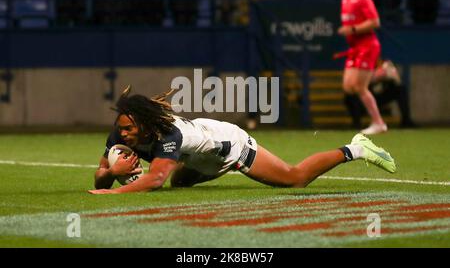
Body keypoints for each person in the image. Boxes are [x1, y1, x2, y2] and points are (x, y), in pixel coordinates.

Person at [88, 86, 396, 194]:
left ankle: (356, 148)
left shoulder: (170, 134)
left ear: (142, 124)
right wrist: (109, 175)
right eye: (121, 129)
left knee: (294, 178)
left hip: (228, 145)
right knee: (179, 184)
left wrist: (115, 193)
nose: (123, 134)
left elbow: (154, 179)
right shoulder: (120, 131)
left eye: (129, 129)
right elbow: (101, 176)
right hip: (199, 154)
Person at [336, 0, 387, 135]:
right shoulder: (344, 0)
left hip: (368, 45)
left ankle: (378, 122)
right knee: (348, 86)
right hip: (354, 48)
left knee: (360, 86)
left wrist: (352, 29)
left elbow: (374, 22)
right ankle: (381, 73)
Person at [344, 60, 417, 129]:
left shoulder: (385, 66)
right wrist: (373, 77)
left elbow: (396, 82)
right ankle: (356, 123)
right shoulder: (361, 68)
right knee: (350, 95)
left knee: (400, 89)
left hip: (378, 98)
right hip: (363, 101)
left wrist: (386, 75)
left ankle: (406, 121)